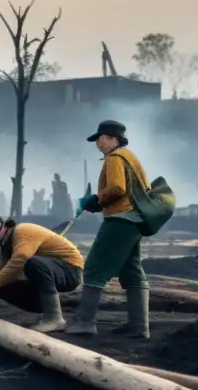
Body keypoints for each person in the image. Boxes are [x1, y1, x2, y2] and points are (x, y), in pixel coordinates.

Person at [65, 120, 152, 338]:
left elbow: (117, 188)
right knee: (131, 270)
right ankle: (139, 326)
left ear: (112, 138)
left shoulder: (114, 158)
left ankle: (85, 322)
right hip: (135, 220)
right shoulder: (130, 158)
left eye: (101, 139)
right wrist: (98, 203)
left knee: (95, 267)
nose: (98, 144)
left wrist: (96, 199)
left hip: (120, 220)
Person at [0, 215, 84, 332]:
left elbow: (20, 260)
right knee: (2, 287)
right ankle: (46, 306)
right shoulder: (8, 244)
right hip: (51, 272)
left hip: (69, 269)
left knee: (33, 263)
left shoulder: (22, 231)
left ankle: (54, 318)